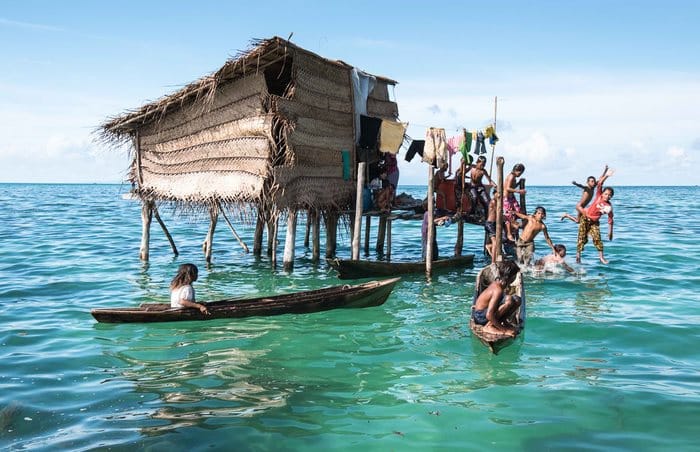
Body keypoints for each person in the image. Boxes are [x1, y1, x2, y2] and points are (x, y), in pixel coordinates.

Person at [472, 260, 522, 337]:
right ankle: (489, 326)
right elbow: (489, 315)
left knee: (517, 299)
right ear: (511, 277)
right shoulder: (497, 290)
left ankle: (503, 321)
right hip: (480, 316)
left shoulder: (500, 284)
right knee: (509, 299)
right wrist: (504, 331)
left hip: (485, 313)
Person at [576, 168, 615, 264]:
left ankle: (601, 257)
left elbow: (610, 220)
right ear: (602, 194)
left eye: (609, 195)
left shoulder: (608, 207)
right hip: (585, 219)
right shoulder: (598, 196)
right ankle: (578, 257)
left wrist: (610, 233)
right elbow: (600, 184)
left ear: (611, 197)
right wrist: (606, 175)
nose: (607, 196)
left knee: (597, 238)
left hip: (594, 223)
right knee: (582, 238)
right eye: (606, 194)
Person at [504, 163, 526, 241]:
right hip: (506, 198)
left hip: (512, 197)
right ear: (517, 171)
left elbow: (512, 187)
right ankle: (509, 233)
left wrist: (518, 183)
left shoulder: (514, 177)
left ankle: (514, 226)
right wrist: (519, 191)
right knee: (509, 215)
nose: (520, 174)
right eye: (520, 173)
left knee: (518, 211)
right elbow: (507, 188)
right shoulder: (511, 176)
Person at [484, 188, 498, 259]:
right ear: (494, 194)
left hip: (494, 223)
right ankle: (493, 261)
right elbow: (498, 211)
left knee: (499, 240)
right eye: (497, 193)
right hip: (490, 224)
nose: (499, 195)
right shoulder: (493, 201)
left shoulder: (498, 202)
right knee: (495, 242)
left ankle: (489, 246)